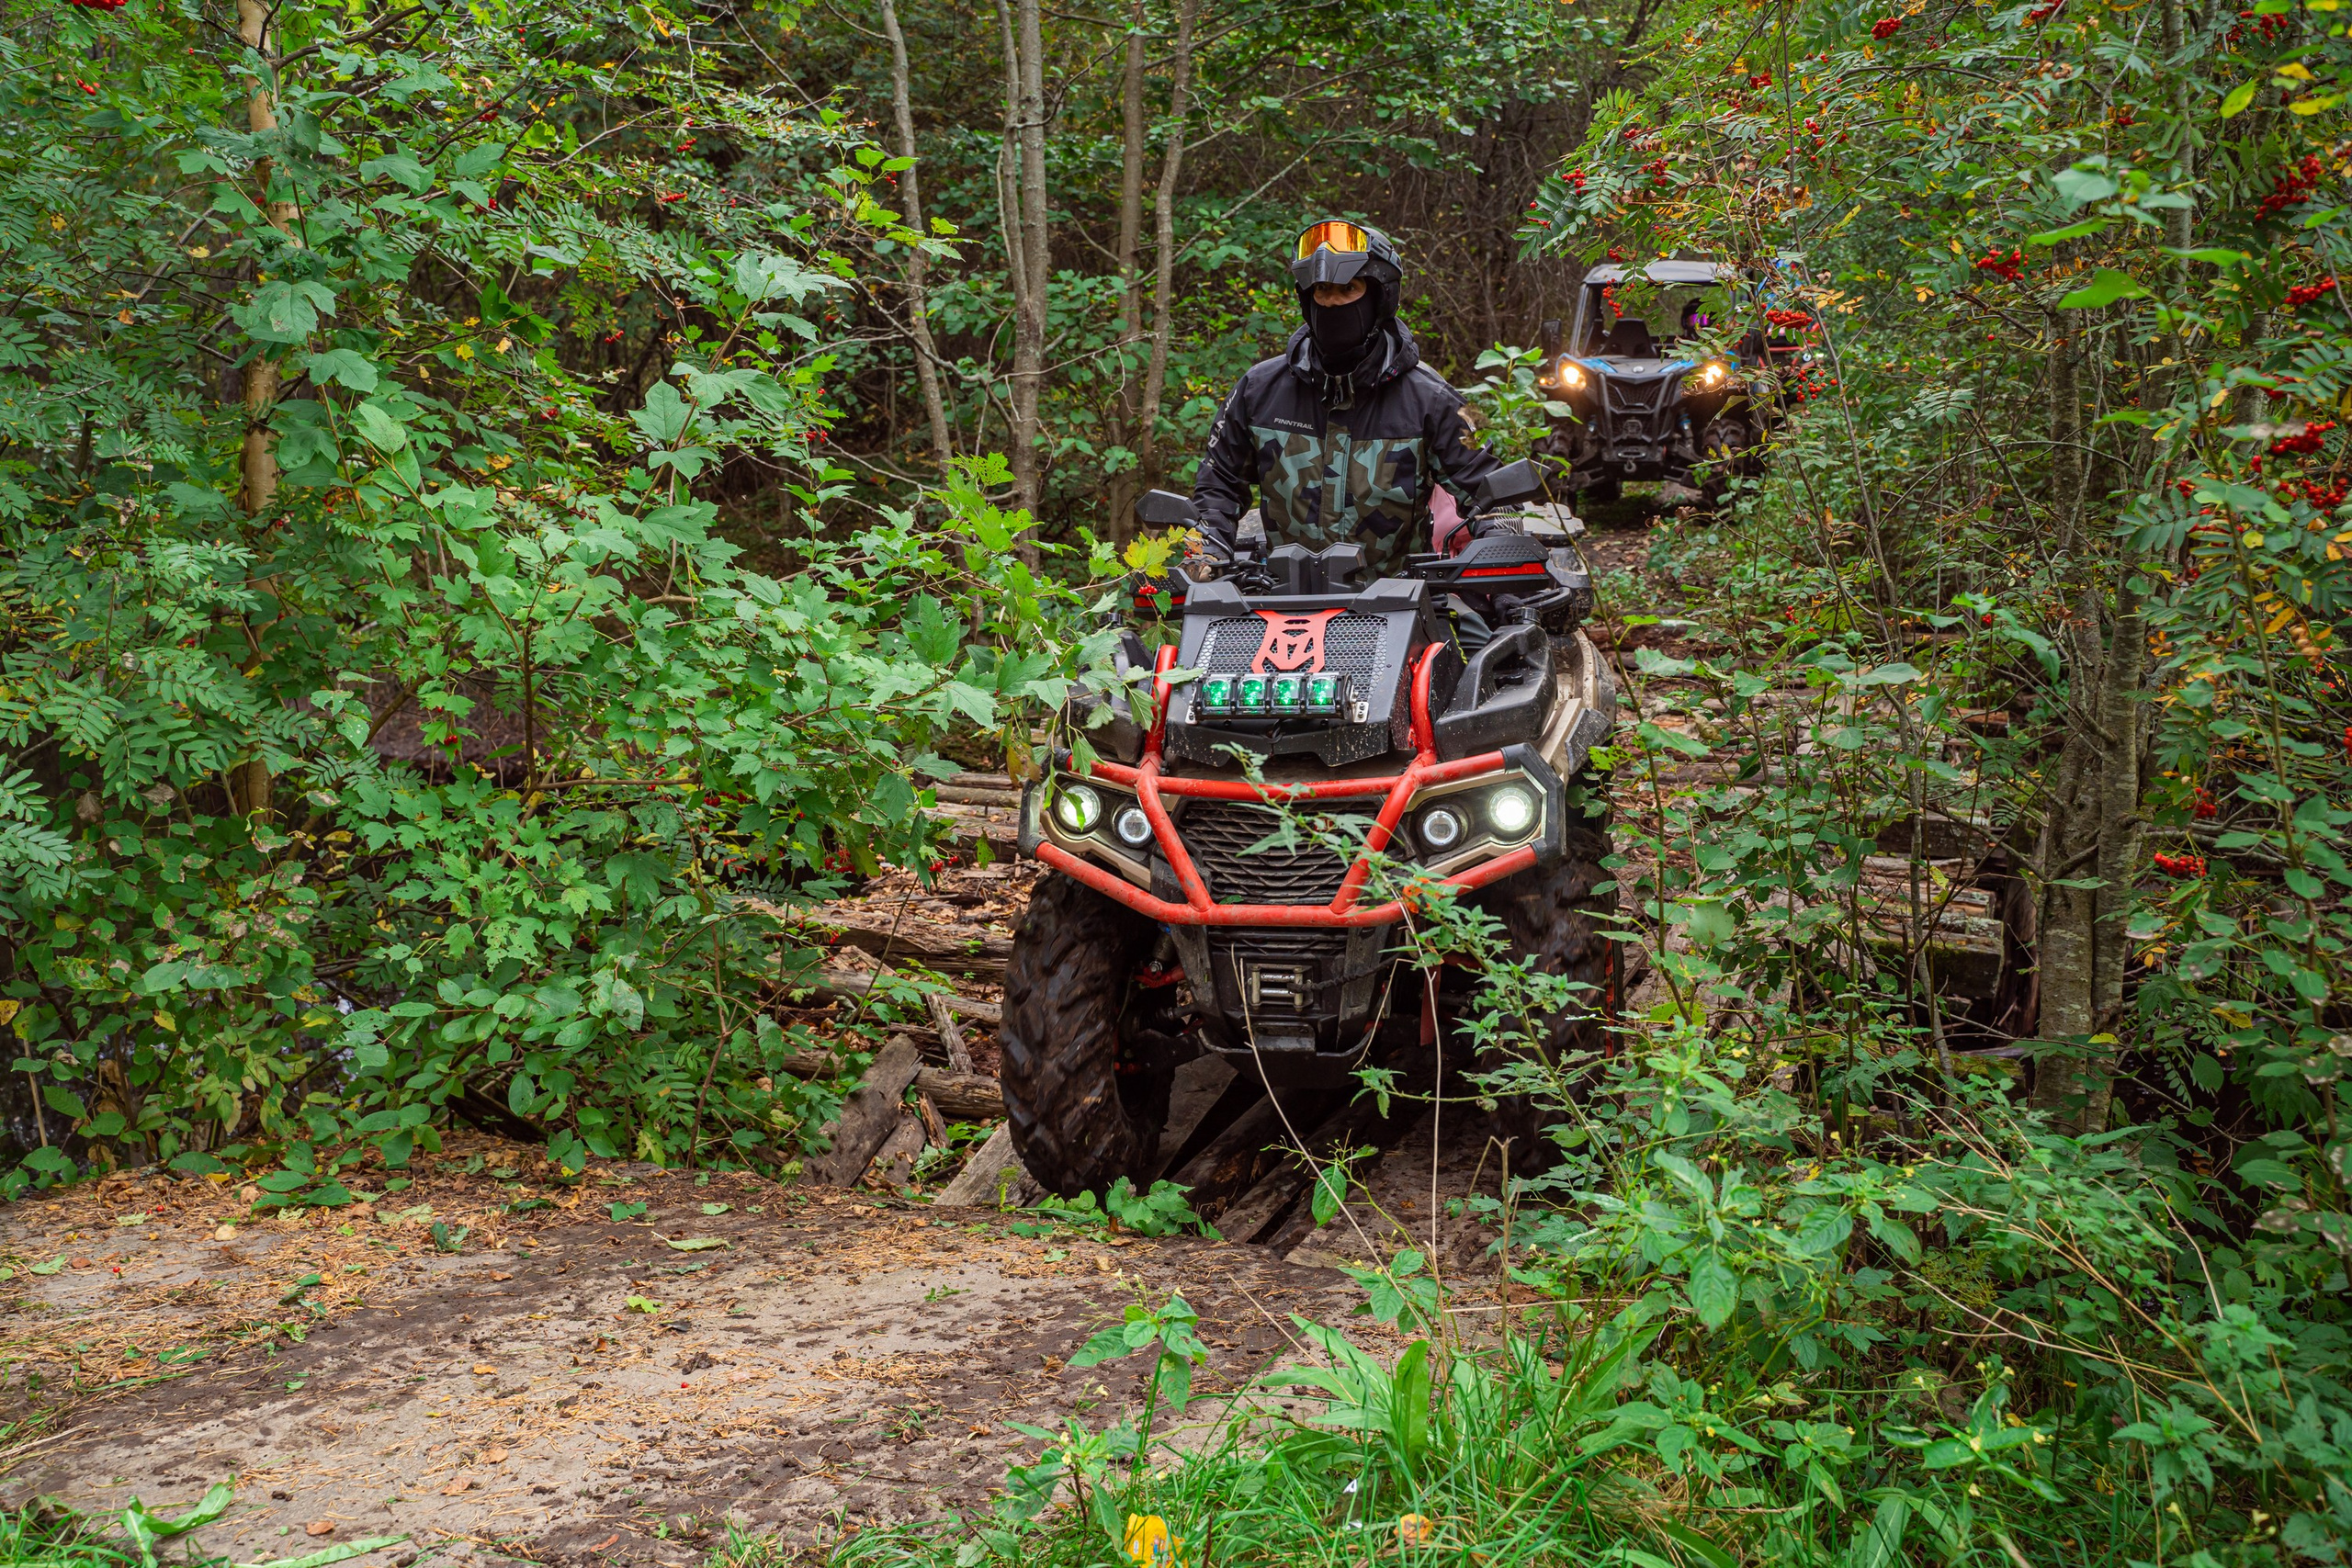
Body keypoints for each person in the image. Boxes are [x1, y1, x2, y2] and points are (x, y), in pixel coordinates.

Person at [1189, 220, 1520, 595]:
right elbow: (1219, 483)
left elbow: (1491, 494)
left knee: (1496, 645)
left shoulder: (1432, 398)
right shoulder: (1259, 389)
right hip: (1277, 606)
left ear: (1379, 297)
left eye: (1348, 289)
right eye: (1322, 290)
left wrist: (1498, 546)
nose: (1331, 302)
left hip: (1402, 606)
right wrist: (1205, 547)